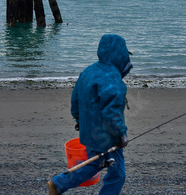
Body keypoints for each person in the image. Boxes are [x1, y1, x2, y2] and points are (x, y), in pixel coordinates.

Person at [47, 34, 133, 195]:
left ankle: (58, 184)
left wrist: (79, 120)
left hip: (89, 132)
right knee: (117, 174)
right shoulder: (113, 79)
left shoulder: (89, 71)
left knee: (93, 164)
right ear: (120, 54)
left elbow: (75, 100)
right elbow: (111, 112)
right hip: (107, 136)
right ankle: (58, 183)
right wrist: (121, 134)